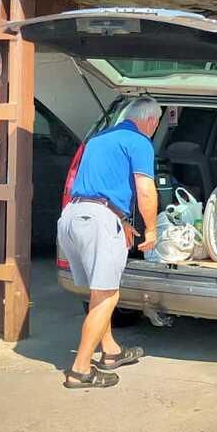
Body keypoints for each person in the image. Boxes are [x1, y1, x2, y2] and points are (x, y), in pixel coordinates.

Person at [58, 98, 161, 389]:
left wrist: (124, 223)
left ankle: (111, 352)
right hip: (99, 222)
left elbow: (97, 187)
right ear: (151, 121)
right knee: (107, 297)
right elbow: (145, 190)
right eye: (157, 122)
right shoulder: (139, 142)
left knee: (99, 292)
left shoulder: (97, 139)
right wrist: (150, 230)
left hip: (72, 216)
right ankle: (79, 370)